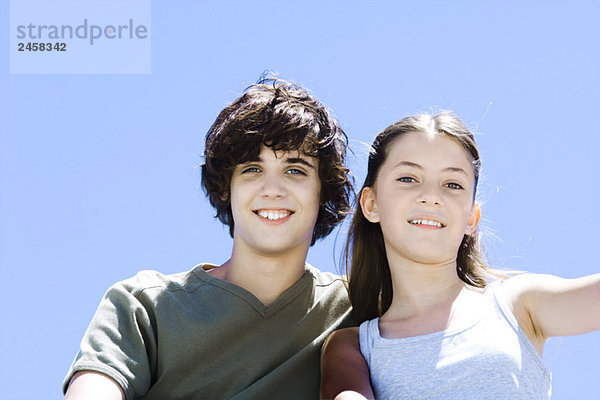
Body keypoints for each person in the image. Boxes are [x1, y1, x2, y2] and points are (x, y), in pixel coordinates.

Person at [63, 77, 356, 400]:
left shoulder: (357, 304)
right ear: (225, 189)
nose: (273, 189)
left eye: (295, 170)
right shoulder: (144, 304)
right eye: (252, 169)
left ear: (323, 191)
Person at [320, 112, 600, 400]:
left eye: (452, 184)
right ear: (371, 204)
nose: (431, 196)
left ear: (471, 217)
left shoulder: (517, 303)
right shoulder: (355, 346)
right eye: (408, 178)